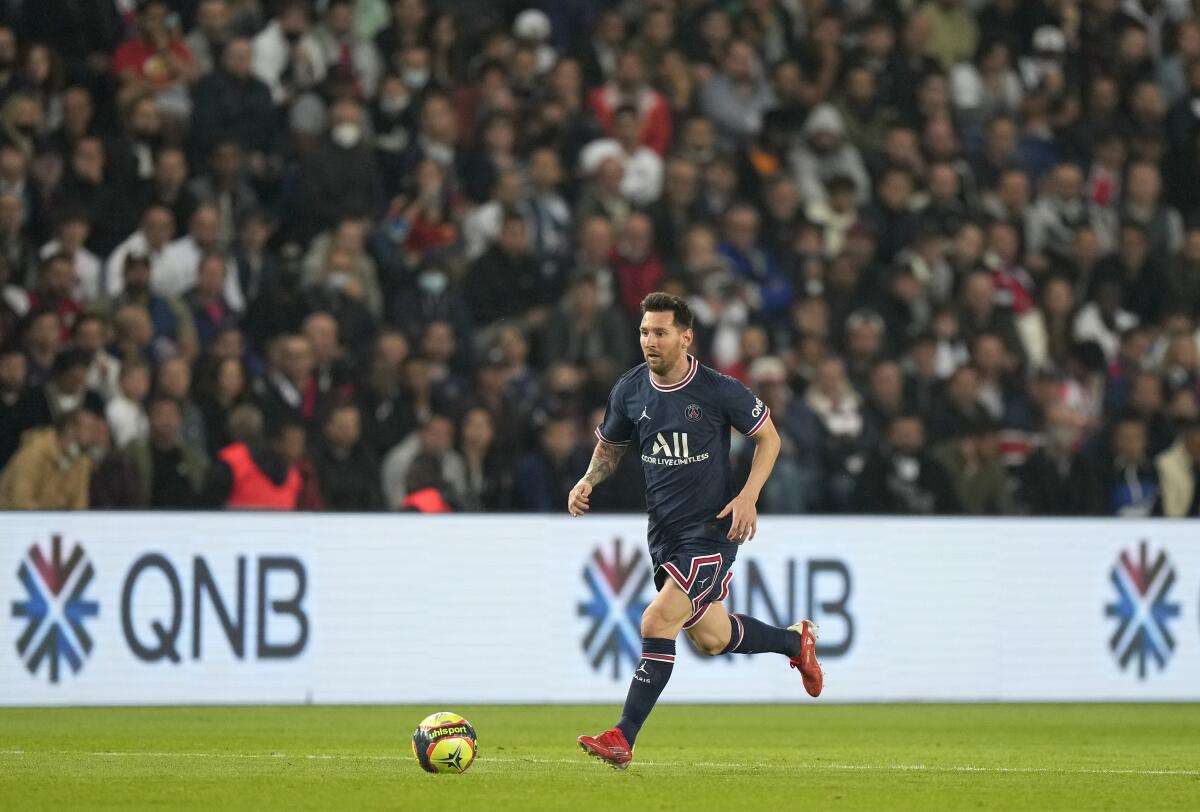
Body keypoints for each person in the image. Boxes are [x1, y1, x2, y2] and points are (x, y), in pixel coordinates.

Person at [570, 292, 823, 769]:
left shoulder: (718, 389)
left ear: (685, 337)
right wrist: (588, 479)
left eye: (660, 332)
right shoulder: (630, 390)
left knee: (655, 622)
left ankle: (623, 737)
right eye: (645, 331)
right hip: (664, 537)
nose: (650, 341)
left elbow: (769, 438)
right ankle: (796, 642)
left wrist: (748, 496)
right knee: (710, 637)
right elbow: (610, 449)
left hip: (711, 533)